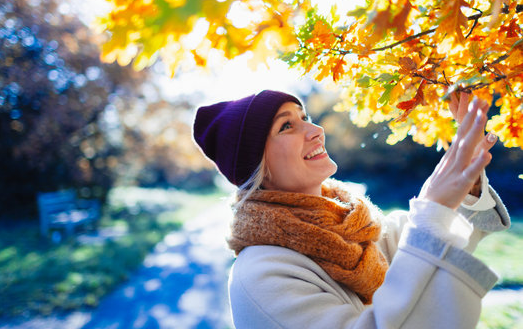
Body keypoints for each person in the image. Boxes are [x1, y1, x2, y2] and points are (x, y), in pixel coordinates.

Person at [193, 89, 510, 329]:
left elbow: (423, 240)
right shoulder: (260, 274)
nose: (315, 131)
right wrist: (434, 208)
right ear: (259, 169)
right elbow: (425, 235)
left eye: (305, 117)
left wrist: (464, 177)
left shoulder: (353, 226)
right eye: (286, 126)